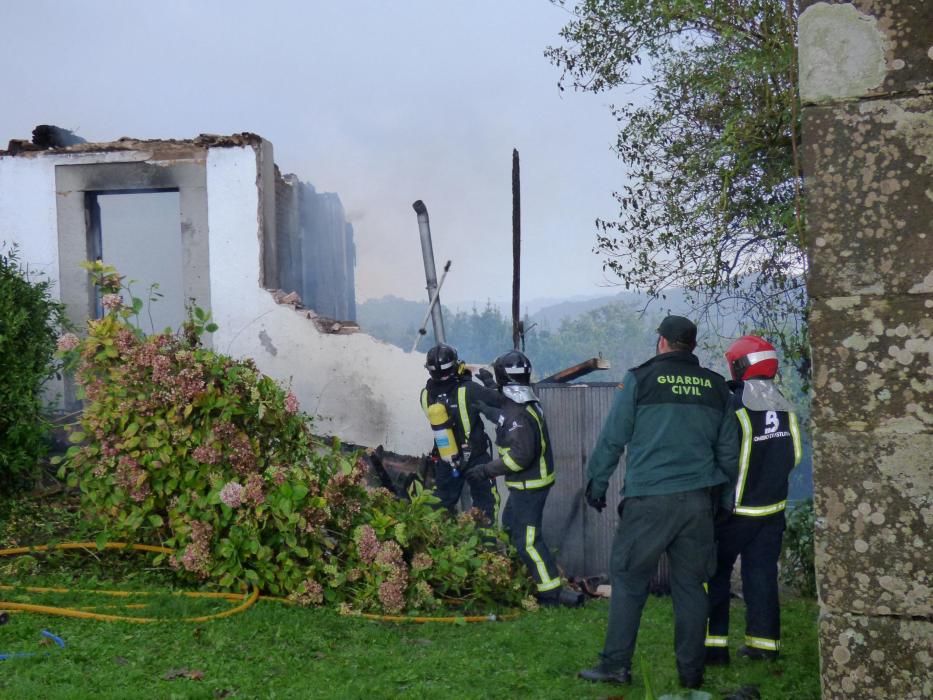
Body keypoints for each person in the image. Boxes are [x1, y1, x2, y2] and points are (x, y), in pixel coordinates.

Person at [579, 315, 739, 688]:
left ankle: (615, 666)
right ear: (692, 345)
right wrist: (724, 501)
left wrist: (596, 485)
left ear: (663, 342)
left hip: (649, 501)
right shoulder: (717, 388)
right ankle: (691, 674)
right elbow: (729, 454)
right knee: (690, 586)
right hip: (698, 502)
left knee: (629, 579)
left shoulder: (641, 379)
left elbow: (613, 438)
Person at [705, 336, 802, 664]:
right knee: (761, 575)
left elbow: (724, 455)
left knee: (715, 573)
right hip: (772, 509)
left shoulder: (735, 403)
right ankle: (764, 646)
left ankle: (714, 647)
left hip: (736, 511)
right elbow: (796, 454)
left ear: (741, 365)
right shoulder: (783, 402)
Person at [465, 350, 584, 608]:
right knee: (509, 526)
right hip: (530, 483)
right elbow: (505, 408)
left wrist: (486, 470)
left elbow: (519, 457)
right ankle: (521, 575)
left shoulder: (517, 414)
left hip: (529, 486)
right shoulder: (525, 400)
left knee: (528, 541)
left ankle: (550, 592)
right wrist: (487, 388)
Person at [421, 343, 499, 523]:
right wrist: (490, 383)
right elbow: (500, 402)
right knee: (485, 506)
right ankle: (486, 547)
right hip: (476, 459)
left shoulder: (425, 395)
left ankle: (440, 545)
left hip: (447, 458)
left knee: (440, 507)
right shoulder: (468, 389)